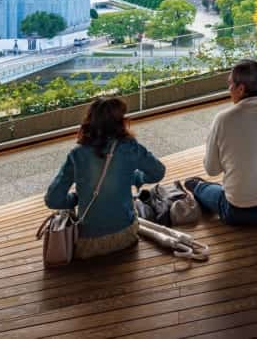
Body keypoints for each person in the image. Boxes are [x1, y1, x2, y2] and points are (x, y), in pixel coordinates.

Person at [45, 97, 166, 259]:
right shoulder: (130, 147)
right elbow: (158, 172)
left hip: (89, 243)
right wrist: (135, 178)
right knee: (139, 203)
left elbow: (53, 200)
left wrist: (75, 199)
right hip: (125, 236)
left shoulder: (77, 154)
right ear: (121, 122)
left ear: (89, 122)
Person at [185, 60, 257, 226]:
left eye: (230, 84)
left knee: (195, 185)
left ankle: (198, 186)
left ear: (241, 88)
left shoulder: (223, 119)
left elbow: (212, 169)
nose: (228, 89)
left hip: (238, 212)